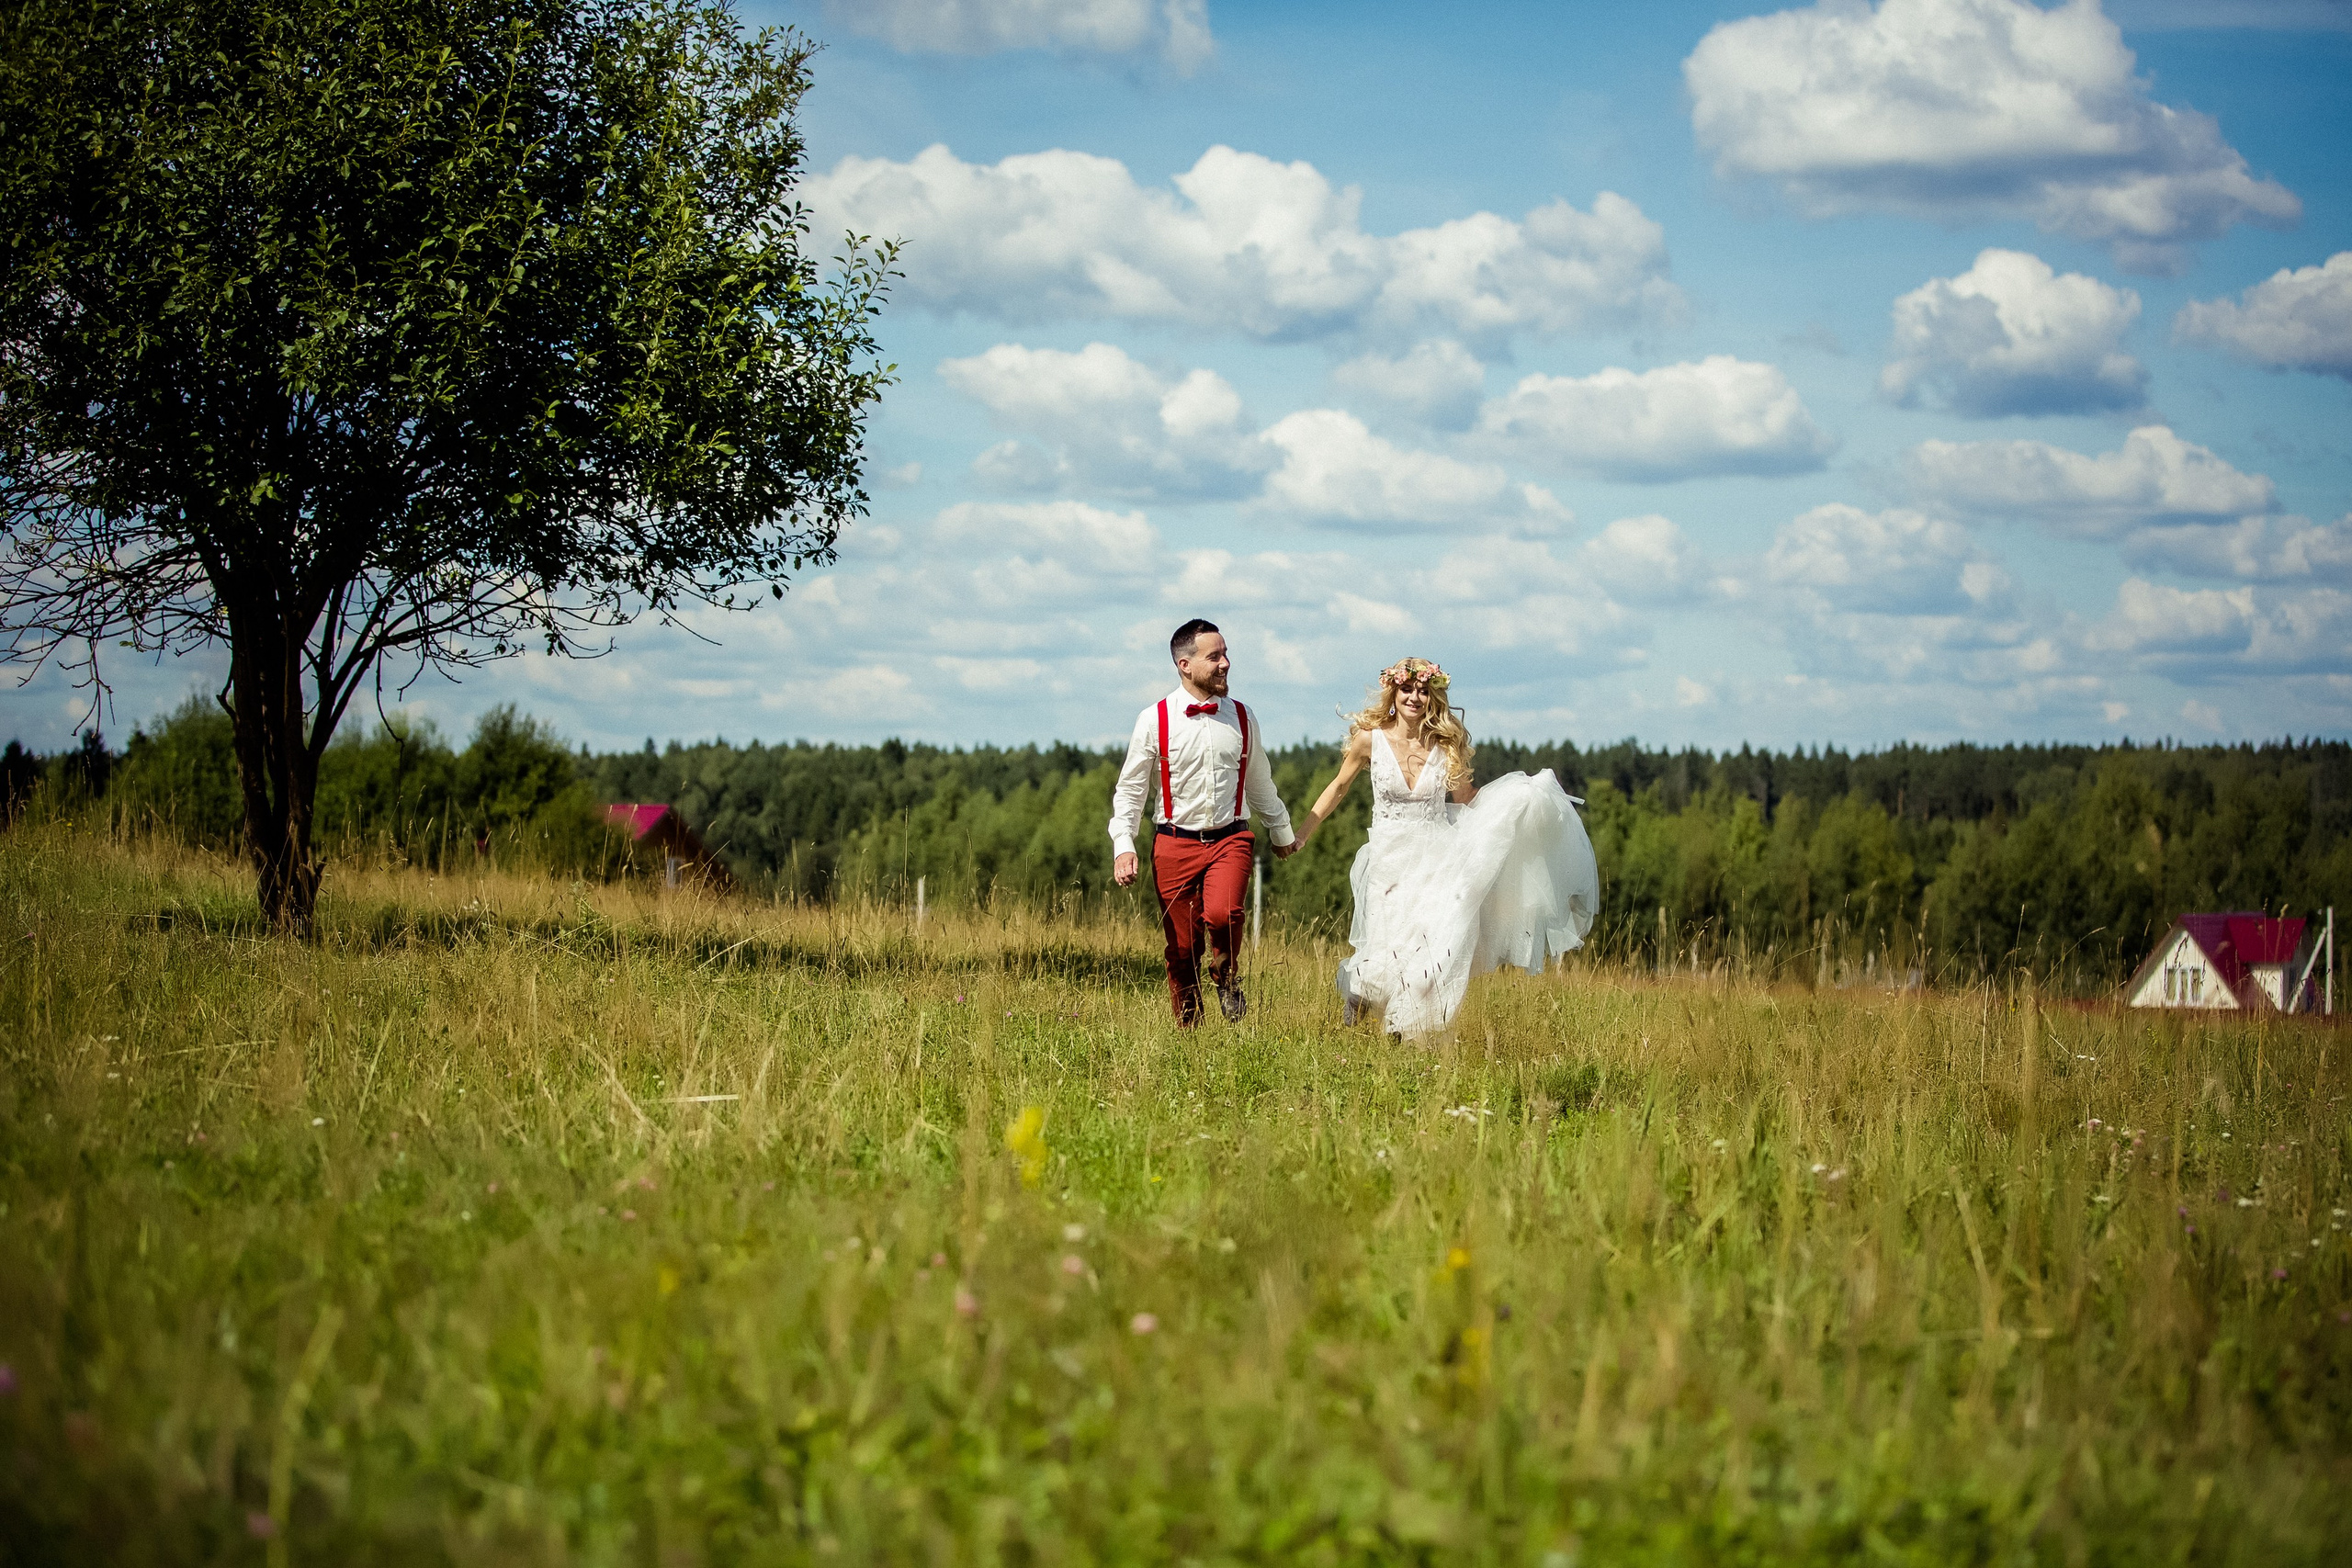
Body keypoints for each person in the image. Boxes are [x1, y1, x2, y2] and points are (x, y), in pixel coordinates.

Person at [1294, 657, 1598, 1039]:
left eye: (1424, 690)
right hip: (1389, 862)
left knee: (1432, 954)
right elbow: (1338, 788)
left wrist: (1518, 804)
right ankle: (1354, 1009)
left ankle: (1404, 1032)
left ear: (1434, 696)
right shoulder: (1369, 740)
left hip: (1438, 859)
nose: (1415, 697)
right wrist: (1302, 833)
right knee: (1381, 960)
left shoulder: (1445, 742)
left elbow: (1467, 799)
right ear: (1394, 691)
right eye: (1408, 689)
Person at [1110, 619, 1303, 1025]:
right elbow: (1130, 790)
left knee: (1223, 915)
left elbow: (1259, 780)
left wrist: (1281, 830)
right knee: (1181, 949)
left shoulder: (1243, 717)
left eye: (1226, 654)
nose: (1225, 664)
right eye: (1214, 656)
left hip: (1230, 838)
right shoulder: (1154, 719)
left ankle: (1227, 977)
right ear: (1184, 665)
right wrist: (1123, 844)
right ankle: (1190, 1032)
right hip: (1173, 842)